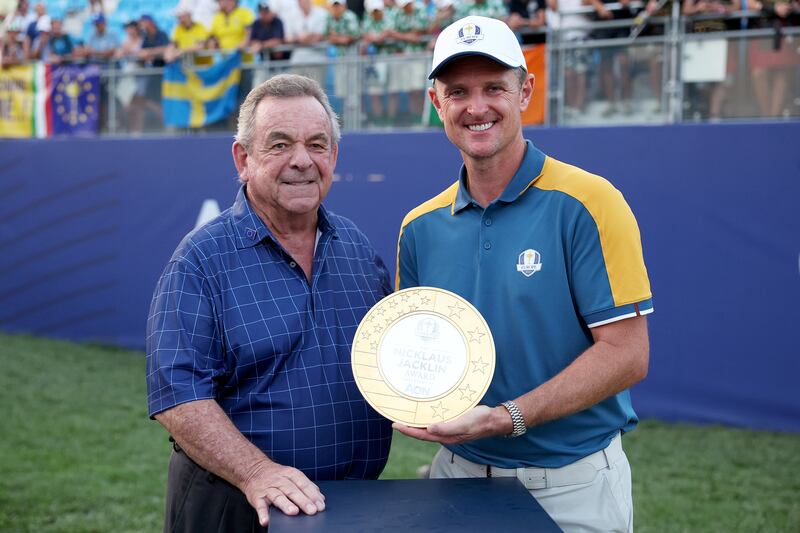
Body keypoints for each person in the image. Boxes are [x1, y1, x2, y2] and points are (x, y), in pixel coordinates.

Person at [394, 16, 653, 532]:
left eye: (495, 87)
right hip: (456, 476)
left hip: (572, 487)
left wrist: (502, 418)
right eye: (458, 91)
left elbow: (627, 355)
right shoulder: (418, 227)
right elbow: (414, 354)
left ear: (526, 89)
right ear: (436, 103)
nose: (477, 107)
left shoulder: (590, 202)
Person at [146, 74, 393, 532]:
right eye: (279, 145)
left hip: (350, 506)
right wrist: (257, 472)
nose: (302, 160)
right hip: (237, 506)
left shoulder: (356, 248)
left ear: (333, 156)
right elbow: (178, 397)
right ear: (243, 159)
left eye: (317, 145)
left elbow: (390, 360)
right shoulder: (201, 260)